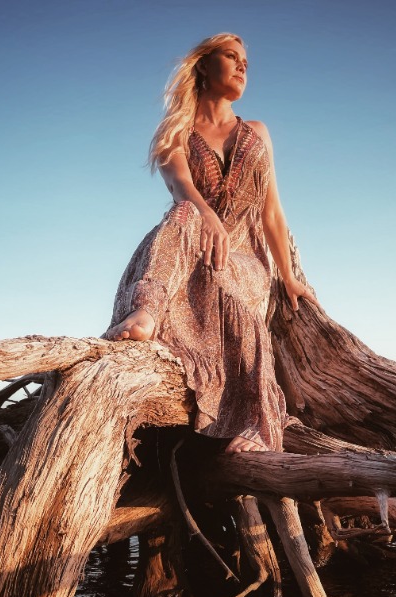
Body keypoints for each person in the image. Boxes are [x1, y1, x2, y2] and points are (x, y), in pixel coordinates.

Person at [104, 33, 319, 453]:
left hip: (245, 259)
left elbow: (272, 212)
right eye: (231, 56)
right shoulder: (176, 133)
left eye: (246, 62)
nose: (242, 66)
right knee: (186, 213)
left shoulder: (257, 132)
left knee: (235, 287)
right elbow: (181, 188)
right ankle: (146, 310)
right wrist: (207, 216)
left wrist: (289, 277)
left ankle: (258, 418)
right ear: (203, 65)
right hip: (189, 253)